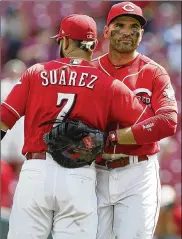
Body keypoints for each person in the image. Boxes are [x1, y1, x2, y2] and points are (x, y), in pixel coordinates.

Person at [0, 14, 154, 239]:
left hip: (36, 171)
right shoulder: (108, 83)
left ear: (65, 41)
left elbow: (4, 120)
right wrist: (109, 138)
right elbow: (150, 125)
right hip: (79, 175)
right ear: (93, 45)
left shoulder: (36, 73)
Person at [92, 2, 178, 239]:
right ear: (107, 31)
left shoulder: (154, 72)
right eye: (119, 25)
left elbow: (168, 121)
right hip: (94, 171)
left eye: (134, 27)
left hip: (138, 171)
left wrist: (113, 138)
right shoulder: (90, 71)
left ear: (141, 34)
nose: (127, 31)